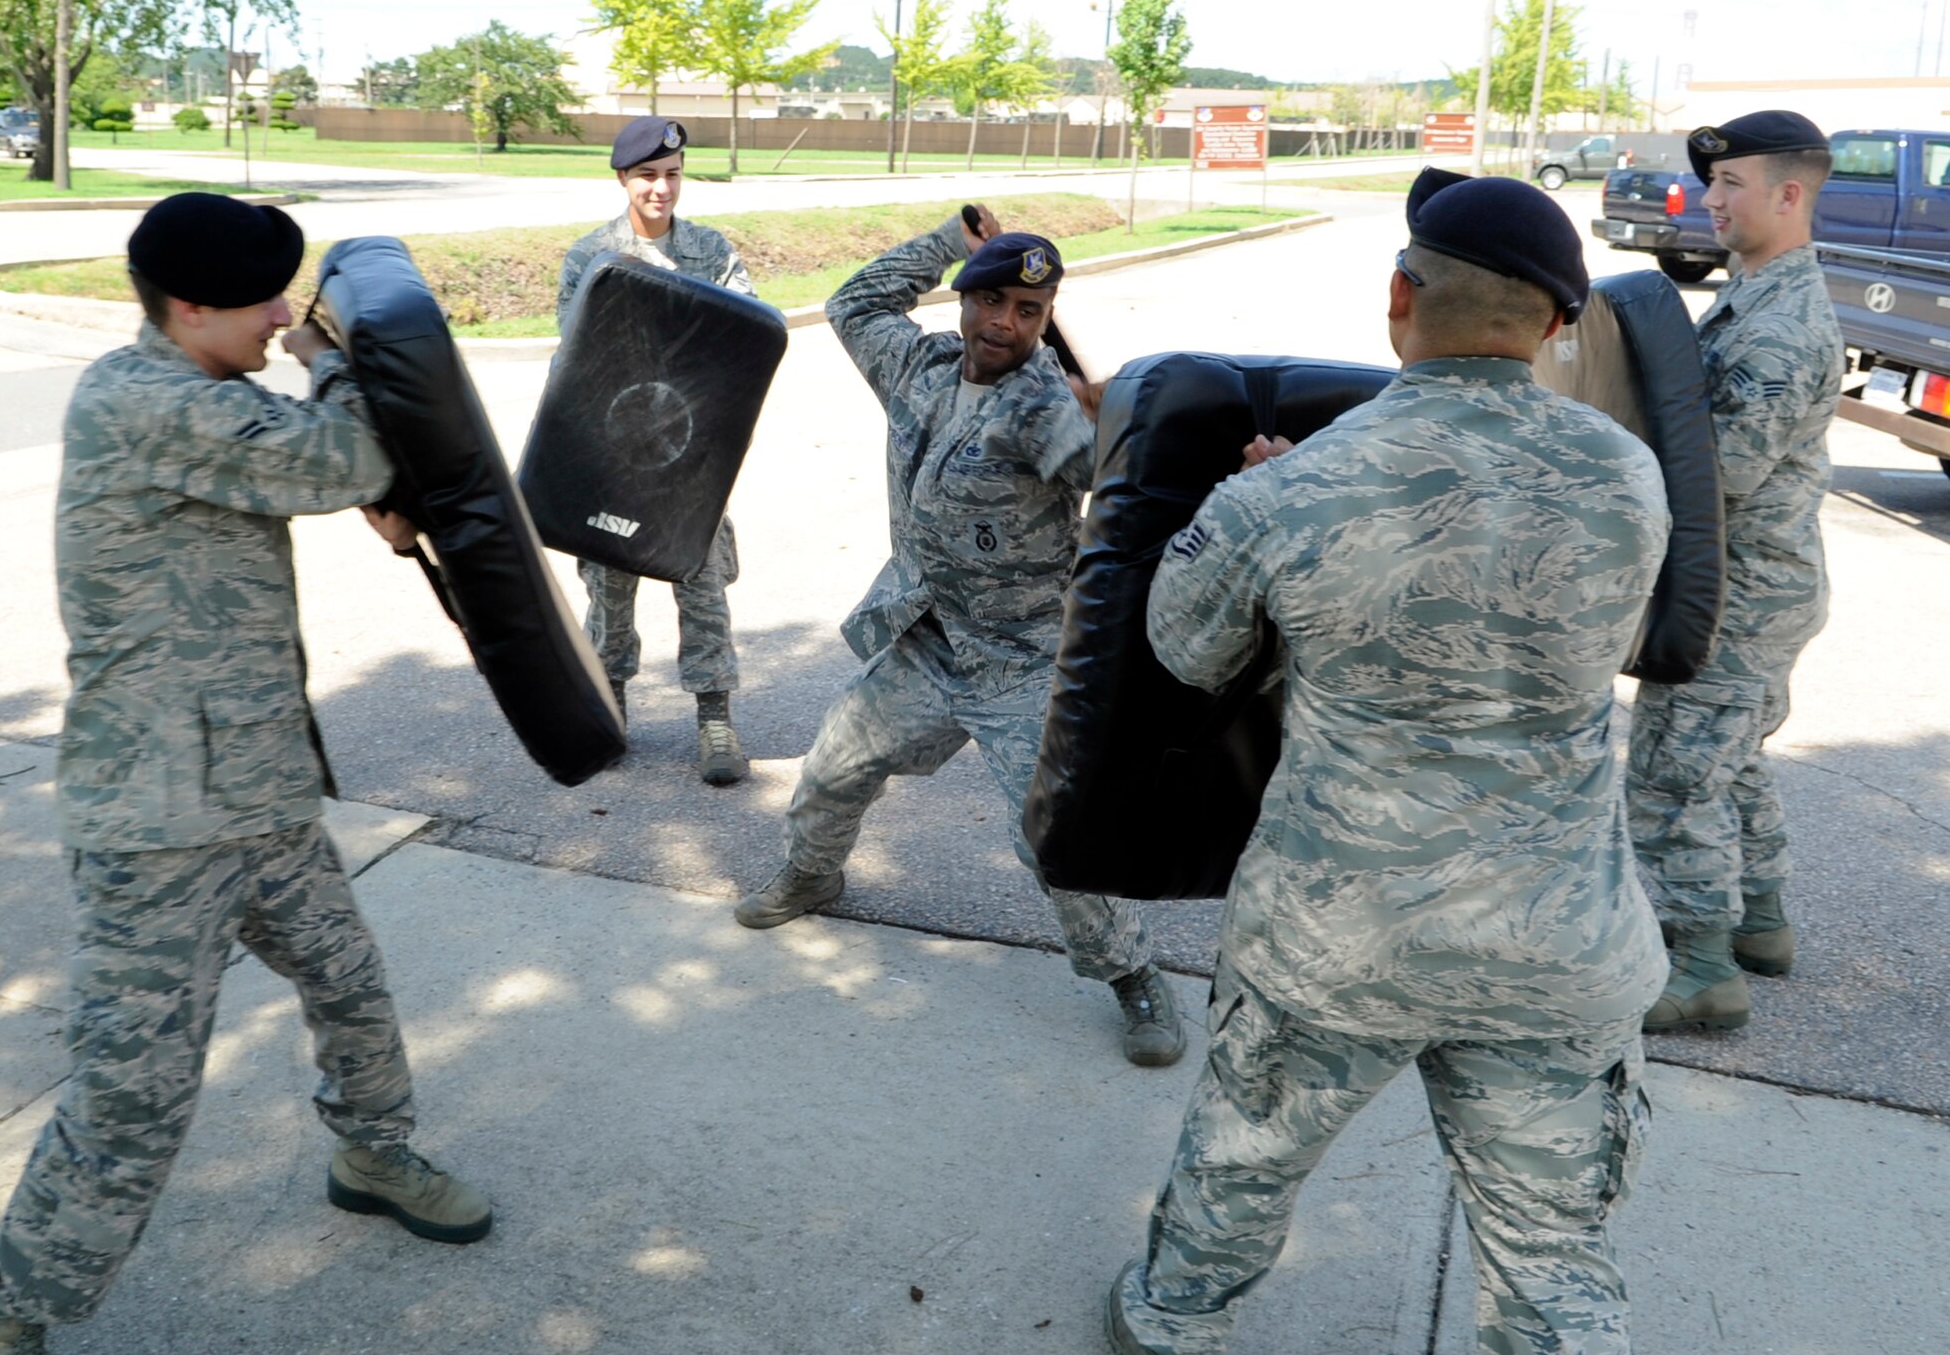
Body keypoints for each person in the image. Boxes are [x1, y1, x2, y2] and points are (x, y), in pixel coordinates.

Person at [1105, 171, 1672, 1353]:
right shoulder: (1625, 473)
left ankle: (1168, 1323)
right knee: (1553, 1261)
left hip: (1336, 939)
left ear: (1396, 294)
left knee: (1239, 1169)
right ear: (1554, 327)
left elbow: (1183, 649)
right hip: (1555, 942)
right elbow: (1605, 645)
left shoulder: (1294, 489)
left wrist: (1242, 505)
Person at [0, 194, 490, 1355]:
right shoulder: (141, 400)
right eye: (262, 300)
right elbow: (341, 452)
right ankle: (14, 1305)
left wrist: (371, 501)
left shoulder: (206, 390)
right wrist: (327, 366)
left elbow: (298, 478)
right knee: (134, 1095)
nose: (281, 315)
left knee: (351, 988)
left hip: (259, 798)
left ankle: (373, 1154)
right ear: (188, 306)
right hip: (156, 823)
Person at [732, 205, 1183, 1068]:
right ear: (963, 301)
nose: (1007, 325)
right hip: (927, 641)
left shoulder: (1040, 403)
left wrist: (1123, 424)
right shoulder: (917, 366)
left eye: (1031, 313)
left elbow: (1104, 472)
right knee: (832, 766)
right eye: (995, 302)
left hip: (1023, 662)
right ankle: (812, 875)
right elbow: (854, 304)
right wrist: (948, 240)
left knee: (1051, 836)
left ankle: (1131, 972)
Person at [1627, 111, 1844, 1033]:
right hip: (1759, 582)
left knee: (1674, 774)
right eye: (1709, 184)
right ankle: (1760, 924)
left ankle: (1703, 968)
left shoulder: (1783, 326)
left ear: (1789, 194)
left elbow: (1714, 477)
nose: (1708, 199)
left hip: (1738, 593)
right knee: (1731, 761)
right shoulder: (1756, 293)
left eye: (1731, 185)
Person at [557, 116, 754, 786]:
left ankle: (715, 718)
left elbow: (744, 341)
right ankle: (609, 709)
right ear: (622, 180)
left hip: (692, 458)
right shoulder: (592, 259)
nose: (661, 189)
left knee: (703, 589)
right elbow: (579, 358)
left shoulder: (713, 252)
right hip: (615, 458)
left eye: (672, 176)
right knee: (609, 592)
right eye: (647, 176)